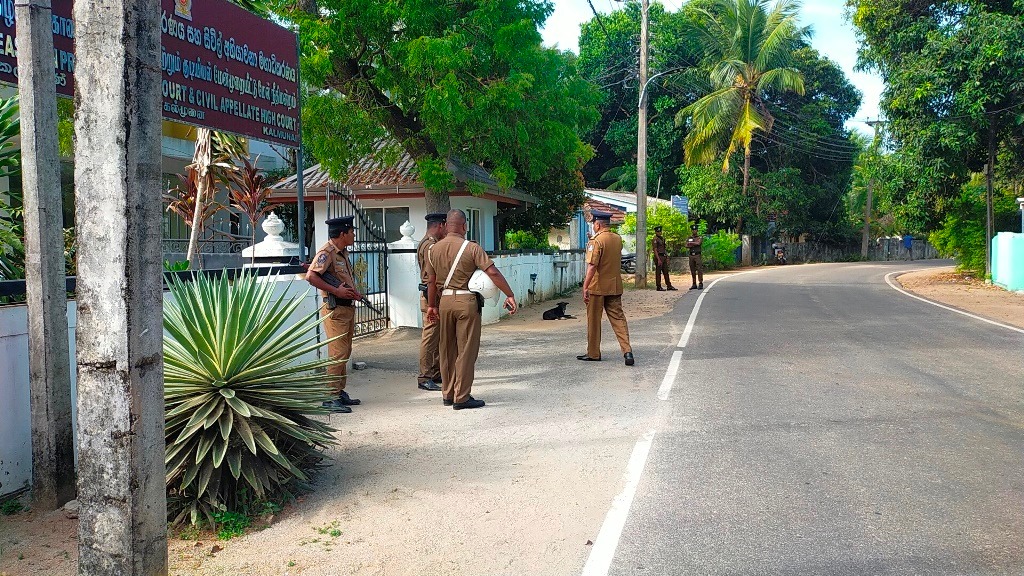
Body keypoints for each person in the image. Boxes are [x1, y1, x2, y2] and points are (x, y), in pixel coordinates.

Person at [425, 209, 517, 410]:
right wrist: (509, 294)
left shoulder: (433, 250)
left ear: (446, 225)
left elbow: (430, 282)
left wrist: (431, 306)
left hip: (444, 302)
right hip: (466, 302)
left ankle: (448, 394)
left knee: (446, 350)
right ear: (464, 226)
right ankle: (462, 397)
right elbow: (492, 271)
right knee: (466, 350)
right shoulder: (472, 248)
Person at [306, 216, 362, 413]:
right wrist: (336, 291)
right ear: (342, 233)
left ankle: (339, 391)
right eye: (351, 231)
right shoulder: (326, 252)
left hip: (346, 308)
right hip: (335, 308)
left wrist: (353, 292)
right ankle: (330, 397)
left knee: (345, 352)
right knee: (337, 353)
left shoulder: (342, 252)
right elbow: (311, 276)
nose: (354, 235)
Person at [576, 211, 634, 366]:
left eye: (594, 224)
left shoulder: (596, 241)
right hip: (614, 286)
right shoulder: (617, 239)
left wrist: (585, 286)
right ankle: (627, 351)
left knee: (594, 320)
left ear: (597, 224)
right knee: (618, 319)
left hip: (597, 287)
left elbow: (593, 265)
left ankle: (593, 353)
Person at [416, 212, 447, 392]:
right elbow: (431, 277)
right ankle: (425, 376)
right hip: (431, 296)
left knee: (436, 337)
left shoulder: (428, 243)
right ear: (440, 226)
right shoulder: (430, 246)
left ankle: (435, 372)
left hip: (433, 295)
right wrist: (432, 305)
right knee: (430, 338)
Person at [652, 225, 676, 291]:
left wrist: (667, 257)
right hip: (659, 256)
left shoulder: (662, 239)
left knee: (666, 272)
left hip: (663, 256)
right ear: (656, 232)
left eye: (660, 231)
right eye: (658, 231)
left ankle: (669, 285)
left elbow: (664, 248)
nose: (659, 232)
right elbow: (655, 250)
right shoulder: (655, 239)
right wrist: (658, 259)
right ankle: (658, 286)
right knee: (658, 272)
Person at [686, 222, 704, 290]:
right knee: (692, 269)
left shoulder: (699, 237)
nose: (694, 231)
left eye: (695, 229)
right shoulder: (689, 237)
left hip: (697, 255)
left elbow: (698, 243)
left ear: (697, 230)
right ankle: (694, 283)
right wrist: (693, 243)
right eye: (693, 230)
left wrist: (691, 243)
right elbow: (686, 245)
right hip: (691, 255)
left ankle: (700, 283)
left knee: (699, 269)